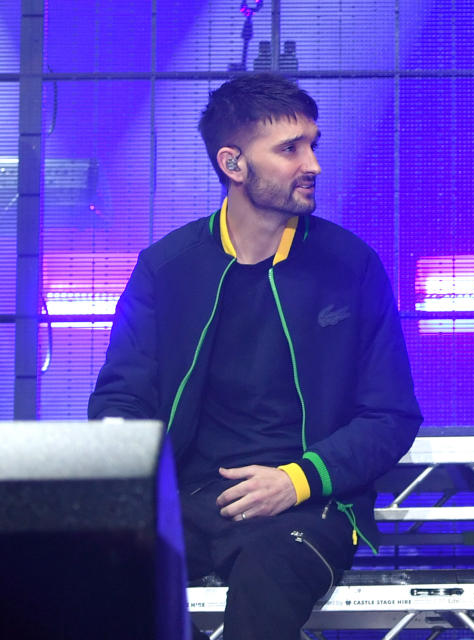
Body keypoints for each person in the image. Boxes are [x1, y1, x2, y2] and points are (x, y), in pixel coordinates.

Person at [89, 73, 422, 640]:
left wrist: (296, 479)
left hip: (305, 505)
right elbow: (120, 397)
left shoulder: (352, 265)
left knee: (263, 599)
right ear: (233, 163)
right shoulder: (166, 268)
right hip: (186, 500)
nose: (312, 163)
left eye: (313, 144)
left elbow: (391, 416)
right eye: (289, 149)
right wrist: (129, 487)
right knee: (90, 579)